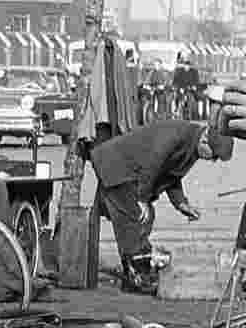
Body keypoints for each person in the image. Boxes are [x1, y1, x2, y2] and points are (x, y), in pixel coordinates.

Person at [81, 112, 233, 294]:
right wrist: (142, 199)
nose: (212, 161)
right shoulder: (177, 135)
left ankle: (135, 272)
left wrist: (181, 204)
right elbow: (153, 164)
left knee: (142, 218)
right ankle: (136, 276)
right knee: (136, 217)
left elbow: (172, 175)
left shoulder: (193, 147)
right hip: (117, 166)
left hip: (129, 172)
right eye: (214, 156)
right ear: (205, 140)